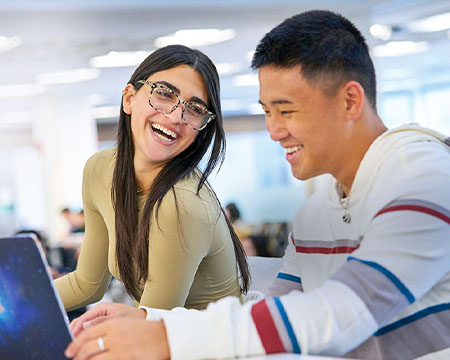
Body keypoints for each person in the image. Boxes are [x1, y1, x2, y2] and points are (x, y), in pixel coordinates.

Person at [65, 10, 450, 360]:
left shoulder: (426, 178)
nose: (273, 131)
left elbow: (344, 312)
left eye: (286, 111)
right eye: (267, 112)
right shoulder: (314, 215)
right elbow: (281, 312)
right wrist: (146, 319)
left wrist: (166, 335)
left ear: (350, 101)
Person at [55, 44, 249, 313]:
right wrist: (16, 303)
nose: (174, 117)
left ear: (201, 131)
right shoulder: (99, 170)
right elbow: (86, 284)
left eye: (194, 109)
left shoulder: (181, 204)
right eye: (165, 94)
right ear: (129, 98)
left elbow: (154, 324)